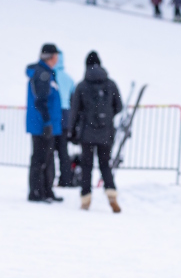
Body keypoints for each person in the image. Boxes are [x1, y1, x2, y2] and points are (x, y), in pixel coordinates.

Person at [68, 51, 123, 213]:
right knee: (105, 164)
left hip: (87, 133)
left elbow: (74, 111)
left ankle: (86, 198)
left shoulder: (82, 85)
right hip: (106, 133)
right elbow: (119, 106)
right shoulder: (111, 84)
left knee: (86, 165)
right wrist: (108, 117)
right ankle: (112, 195)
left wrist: (71, 131)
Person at [25, 43, 64, 202]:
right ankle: (36, 192)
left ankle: (47, 190)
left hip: (45, 124)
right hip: (41, 125)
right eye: (56, 56)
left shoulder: (47, 73)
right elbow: (41, 101)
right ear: (51, 57)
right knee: (40, 159)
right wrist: (47, 122)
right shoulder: (42, 74)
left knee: (48, 159)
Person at [54, 50, 76, 187]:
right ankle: (66, 179)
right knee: (63, 150)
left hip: (55, 114)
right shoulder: (69, 79)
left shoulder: (51, 76)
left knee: (50, 149)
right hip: (66, 115)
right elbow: (73, 100)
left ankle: (49, 179)